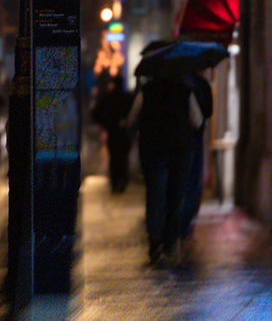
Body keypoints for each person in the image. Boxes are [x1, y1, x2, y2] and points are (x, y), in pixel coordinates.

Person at [129, 72, 206, 266]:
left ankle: (155, 245)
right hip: (181, 151)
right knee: (176, 196)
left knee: (155, 196)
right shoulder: (185, 91)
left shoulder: (145, 92)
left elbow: (133, 119)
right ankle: (171, 244)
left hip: (153, 151)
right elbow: (197, 121)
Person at [181, 71, 212, 242]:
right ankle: (187, 220)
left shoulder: (155, 86)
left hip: (166, 142)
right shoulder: (200, 84)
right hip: (193, 139)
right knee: (192, 180)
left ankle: (169, 227)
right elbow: (206, 113)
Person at [90, 73, 135, 193]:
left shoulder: (107, 98)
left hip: (112, 132)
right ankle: (123, 180)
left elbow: (95, 113)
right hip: (124, 133)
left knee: (114, 158)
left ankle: (115, 182)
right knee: (123, 158)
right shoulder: (128, 98)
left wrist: (105, 124)